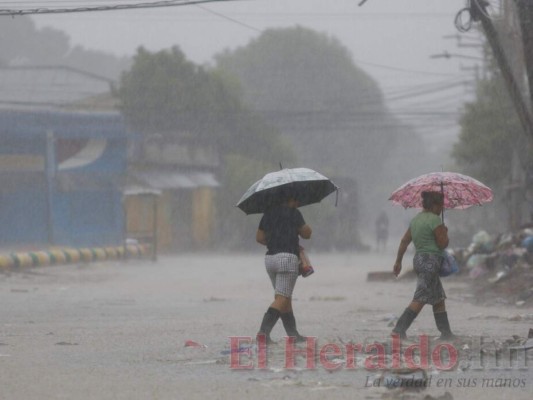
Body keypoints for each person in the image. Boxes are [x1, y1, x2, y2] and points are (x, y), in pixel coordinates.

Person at [391, 191, 455, 340]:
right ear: (434, 205)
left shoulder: (415, 220)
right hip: (431, 262)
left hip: (419, 260)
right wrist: (445, 233)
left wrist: (398, 262)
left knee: (438, 297)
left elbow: (404, 241)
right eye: (440, 206)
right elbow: (442, 244)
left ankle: (446, 333)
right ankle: (398, 329)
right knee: (420, 297)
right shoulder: (435, 220)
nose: (441, 210)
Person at [255, 195, 312, 344]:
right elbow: (307, 234)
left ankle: (293, 335)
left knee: (284, 297)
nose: (298, 202)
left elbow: (259, 237)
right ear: (289, 199)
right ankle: (263, 333)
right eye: (296, 199)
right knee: (282, 298)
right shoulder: (294, 213)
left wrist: (275, 240)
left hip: (270, 259)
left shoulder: (267, 214)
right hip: (287, 258)